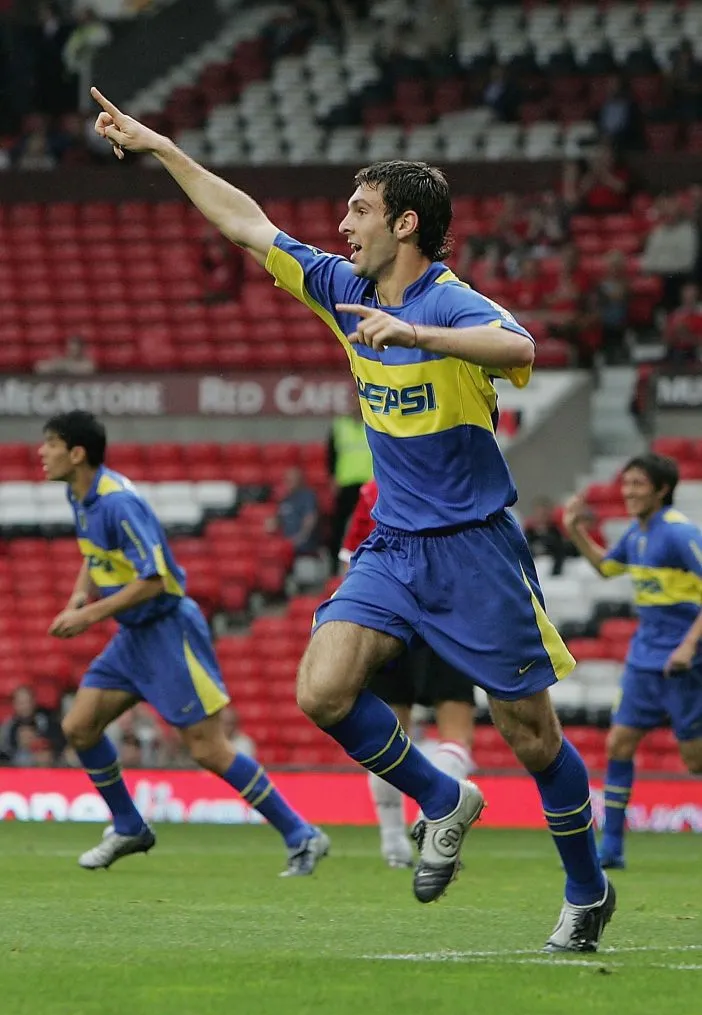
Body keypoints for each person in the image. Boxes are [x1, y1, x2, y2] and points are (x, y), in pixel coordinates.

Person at [90, 87, 615, 952]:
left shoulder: (447, 304)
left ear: (406, 224)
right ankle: (444, 798)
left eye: (360, 209)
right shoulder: (340, 289)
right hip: (394, 545)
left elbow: (520, 348)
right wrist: (159, 148)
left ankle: (588, 890)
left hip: (475, 548)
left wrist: (419, 339)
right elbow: (250, 225)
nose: (343, 224)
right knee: (321, 690)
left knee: (531, 734)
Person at [40, 409, 328, 875]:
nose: (41, 453)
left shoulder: (117, 502)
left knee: (208, 748)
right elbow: (97, 555)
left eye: (50, 444)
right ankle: (130, 826)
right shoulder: (82, 497)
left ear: (77, 453)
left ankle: (302, 834)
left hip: (168, 630)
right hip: (132, 635)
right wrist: (79, 594)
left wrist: (89, 615)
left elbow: (155, 580)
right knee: (79, 727)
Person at [562, 453, 702, 870]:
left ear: (661, 489)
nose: (628, 491)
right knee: (618, 744)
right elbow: (607, 568)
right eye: (626, 484)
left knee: (695, 760)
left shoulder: (679, 533)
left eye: (638, 484)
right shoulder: (637, 533)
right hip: (644, 658)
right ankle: (612, 850)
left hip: (683, 662)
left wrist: (689, 646)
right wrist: (575, 530)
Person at [339, 478, 476, 869]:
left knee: (387, 735)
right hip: (445, 617)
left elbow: (352, 560)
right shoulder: (456, 484)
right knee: (456, 731)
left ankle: (393, 843)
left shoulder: (372, 489)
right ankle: (433, 819)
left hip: (386, 617)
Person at [327, 405, 373, 561]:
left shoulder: (374, 423)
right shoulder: (340, 426)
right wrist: (333, 478)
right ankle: (335, 564)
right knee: (339, 527)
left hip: (370, 485)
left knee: (371, 525)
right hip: (345, 483)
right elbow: (331, 454)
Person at [1, 684, 63, 764]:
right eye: (21, 703)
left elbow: (59, 745)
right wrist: (17, 743)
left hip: (45, 769)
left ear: (34, 702)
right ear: (14, 704)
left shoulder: (49, 722)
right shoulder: (7, 727)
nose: (25, 707)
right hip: (15, 770)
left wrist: (40, 743)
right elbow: (3, 754)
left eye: (28, 702)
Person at [276, 466, 320, 556]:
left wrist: (299, 538)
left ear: (300, 480)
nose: (288, 483)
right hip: (286, 548)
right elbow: (279, 520)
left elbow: (310, 519)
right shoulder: (285, 499)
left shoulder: (307, 496)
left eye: (292, 480)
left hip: (303, 549)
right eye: (287, 480)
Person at [523, 497, 569, 577]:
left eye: (544, 513)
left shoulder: (555, 533)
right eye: (538, 513)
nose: (541, 516)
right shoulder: (528, 533)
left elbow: (560, 553)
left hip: (551, 573)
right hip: (533, 571)